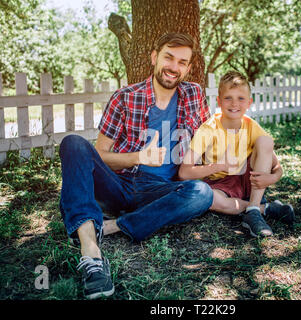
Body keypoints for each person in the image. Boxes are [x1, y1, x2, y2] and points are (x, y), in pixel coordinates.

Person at [58, 33, 213, 299]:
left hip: (162, 191)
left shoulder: (194, 94)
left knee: (202, 193)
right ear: (154, 57)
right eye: (168, 57)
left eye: (182, 62)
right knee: (73, 143)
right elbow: (101, 155)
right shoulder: (124, 97)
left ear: (188, 68)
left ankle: (113, 225)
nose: (173, 67)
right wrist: (138, 157)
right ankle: (91, 254)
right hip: (120, 184)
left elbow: (211, 140)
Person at [178, 71, 295, 237]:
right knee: (209, 199)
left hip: (249, 178)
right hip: (220, 182)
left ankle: (253, 210)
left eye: (241, 98)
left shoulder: (251, 125)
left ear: (249, 102)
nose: (234, 103)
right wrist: (220, 166)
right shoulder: (208, 129)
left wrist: (273, 177)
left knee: (265, 141)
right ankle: (264, 209)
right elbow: (184, 172)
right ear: (219, 101)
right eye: (228, 98)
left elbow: (276, 166)